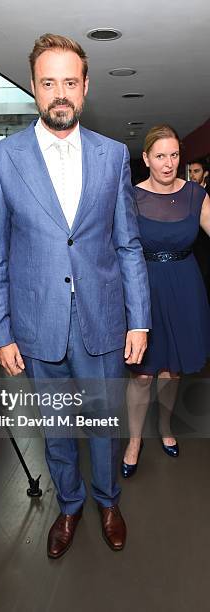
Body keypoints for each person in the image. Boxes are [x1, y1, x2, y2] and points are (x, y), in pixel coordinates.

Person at [0, 33, 151, 558]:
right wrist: (0, 329)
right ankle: (70, 505)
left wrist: (139, 320)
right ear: (33, 87)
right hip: (37, 325)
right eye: (48, 81)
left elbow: (126, 243)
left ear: (85, 88)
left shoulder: (115, 155)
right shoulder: (2, 158)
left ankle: (107, 499)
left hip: (102, 319)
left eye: (70, 82)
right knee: (56, 429)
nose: (60, 92)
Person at [122, 126, 210, 478]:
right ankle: (133, 440)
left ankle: (166, 425)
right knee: (143, 375)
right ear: (146, 159)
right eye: (160, 155)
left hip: (185, 287)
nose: (169, 163)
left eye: (174, 155)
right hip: (144, 288)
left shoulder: (196, 196)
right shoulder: (130, 197)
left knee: (172, 372)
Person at [189, 158, 210, 299]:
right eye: (190, 171)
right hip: (192, 249)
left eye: (196, 171)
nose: (192, 175)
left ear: (206, 173)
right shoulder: (187, 194)